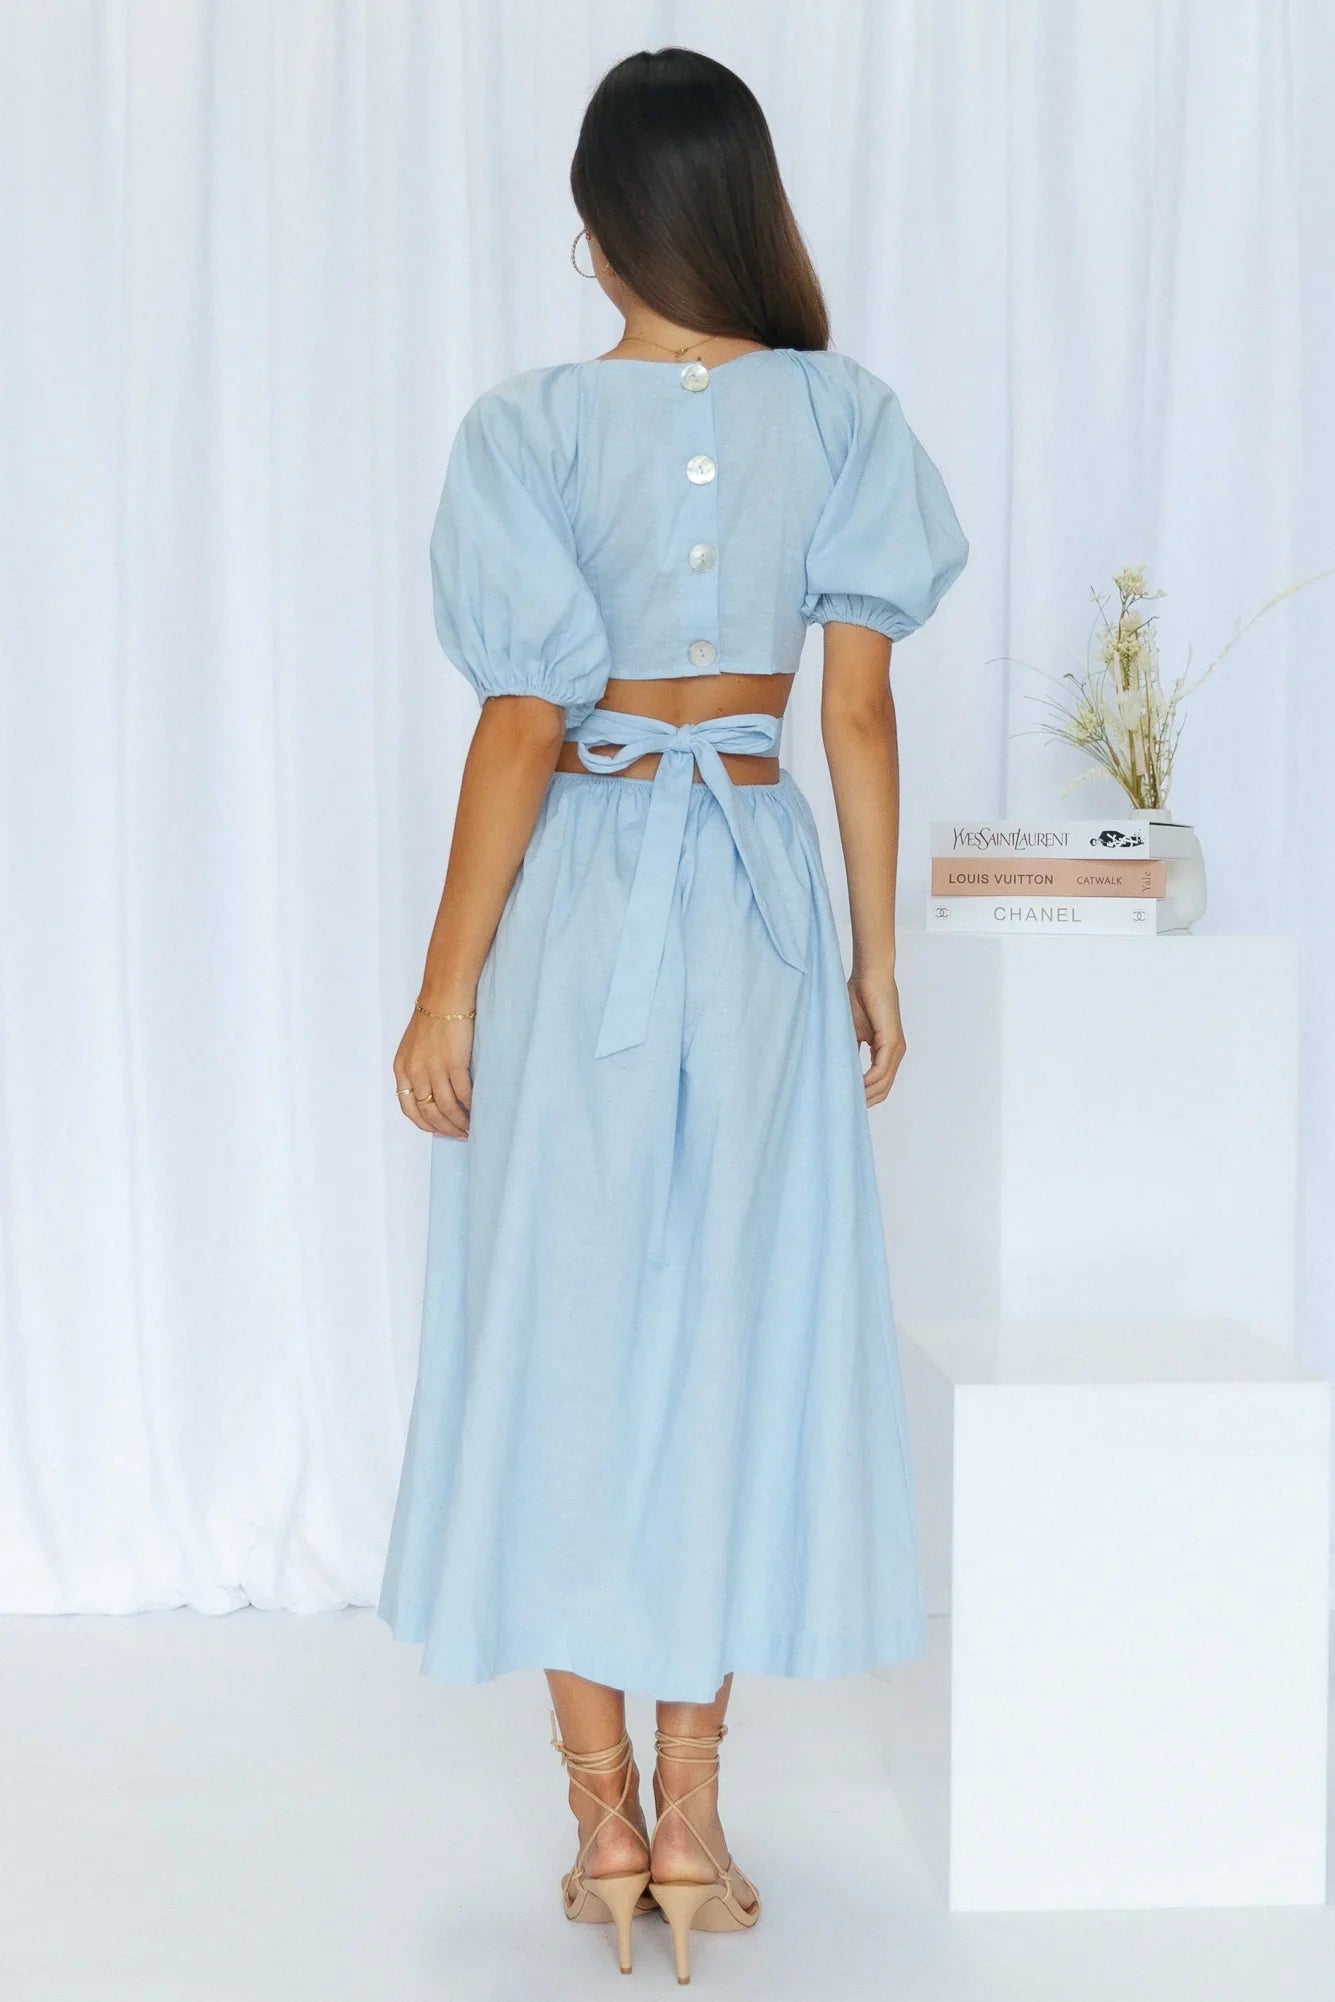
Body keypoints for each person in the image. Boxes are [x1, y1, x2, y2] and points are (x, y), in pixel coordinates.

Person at [377, 45, 968, 1983]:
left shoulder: (529, 428)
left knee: (563, 1322)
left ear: (597, 222)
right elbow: (856, 711)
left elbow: (522, 724)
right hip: (765, 910)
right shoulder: (846, 414)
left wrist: (444, 985)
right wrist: (873, 955)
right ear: (743, 203)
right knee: (733, 1322)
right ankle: (699, 1812)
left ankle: (602, 1811)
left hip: (587, 902)